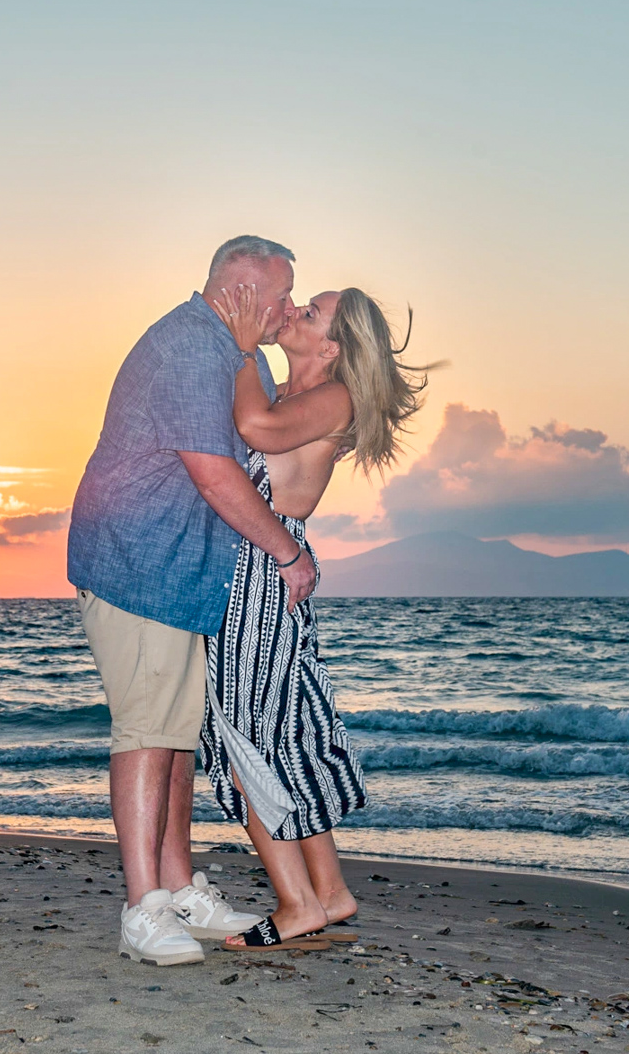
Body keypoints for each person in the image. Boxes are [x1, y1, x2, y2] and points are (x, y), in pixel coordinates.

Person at [67, 235, 318, 966]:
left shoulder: (229, 352)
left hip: (182, 574)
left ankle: (177, 891)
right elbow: (214, 474)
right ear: (238, 290)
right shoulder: (186, 349)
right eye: (281, 294)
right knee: (146, 732)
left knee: (175, 737)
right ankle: (142, 908)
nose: (288, 307)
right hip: (138, 564)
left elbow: (264, 439)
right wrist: (287, 550)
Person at [202, 281, 438, 951]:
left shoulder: (331, 396)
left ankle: (296, 901)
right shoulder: (293, 392)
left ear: (333, 345)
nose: (296, 308)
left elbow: (256, 432)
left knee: (242, 737)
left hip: (259, 570)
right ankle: (329, 893)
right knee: (280, 733)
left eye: (311, 312)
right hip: (258, 566)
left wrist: (243, 341)